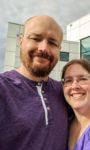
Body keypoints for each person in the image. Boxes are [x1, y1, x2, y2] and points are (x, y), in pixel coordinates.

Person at [0, 15, 68, 150]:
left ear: (59, 50)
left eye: (53, 43)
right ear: (20, 41)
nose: (44, 48)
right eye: (36, 38)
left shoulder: (65, 92)